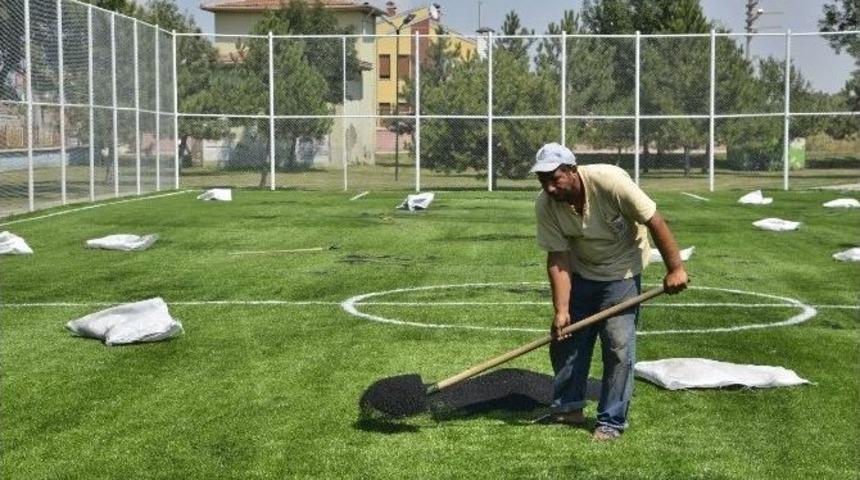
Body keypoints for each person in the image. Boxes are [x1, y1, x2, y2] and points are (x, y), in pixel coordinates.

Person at [531, 143, 688, 442]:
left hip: (622, 271)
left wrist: (675, 268)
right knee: (566, 340)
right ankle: (569, 408)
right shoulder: (546, 205)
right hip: (581, 271)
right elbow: (558, 258)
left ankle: (611, 421)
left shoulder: (610, 182)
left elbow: (654, 219)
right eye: (543, 180)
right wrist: (561, 310)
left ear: (572, 170)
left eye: (555, 178)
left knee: (618, 345)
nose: (549, 187)